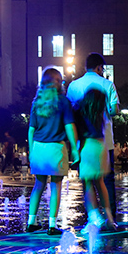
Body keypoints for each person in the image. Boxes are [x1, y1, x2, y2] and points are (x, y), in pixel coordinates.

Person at [26, 67, 80, 235]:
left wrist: (31, 151)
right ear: (57, 82)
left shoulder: (37, 102)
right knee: (56, 185)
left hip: (38, 148)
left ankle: (31, 222)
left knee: (38, 185)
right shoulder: (62, 102)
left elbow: (31, 130)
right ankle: (51, 225)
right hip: (56, 147)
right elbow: (69, 126)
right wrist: (75, 148)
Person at [66, 53, 120, 216]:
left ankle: (93, 216)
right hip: (104, 139)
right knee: (107, 179)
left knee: (87, 180)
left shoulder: (73, 86)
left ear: (85, 67)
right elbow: (114, 110)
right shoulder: (108, 84)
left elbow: (69, 112)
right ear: (99, 67)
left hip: (82, 141)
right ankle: (111, 216)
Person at [75, 89, 118, 231]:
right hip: (101, 146)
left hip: (87, 146)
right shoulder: (100, 113)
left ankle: (94, 219)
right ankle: (110, 218)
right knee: (101, 183)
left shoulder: (81, 111)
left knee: (87, 184)